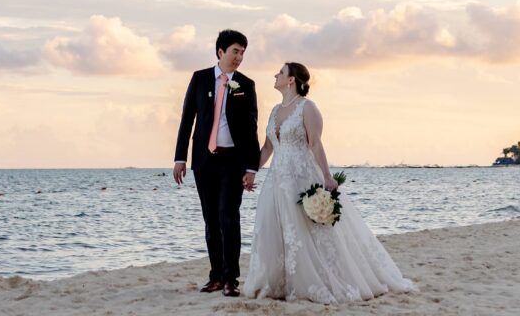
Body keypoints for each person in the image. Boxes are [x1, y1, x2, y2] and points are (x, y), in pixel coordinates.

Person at [243, 62, 415, 304]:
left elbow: (315, 144)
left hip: (301, 178)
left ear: (291, 80)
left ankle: (316, 280)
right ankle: (279, 282)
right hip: (276, 182)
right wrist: (251, 171)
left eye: (280, 72)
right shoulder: (274, 110)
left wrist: (326, 176)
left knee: (309, 232)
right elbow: (268, 148)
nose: (275, 75)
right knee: (276, 229)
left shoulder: (307, 107)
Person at [173, 29, 260, 297]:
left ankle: (231, 279)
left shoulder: (246, 85)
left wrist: (251, 168)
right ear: (221, 52)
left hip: (233, 162)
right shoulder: (199, 79)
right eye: (235, 51)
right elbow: (187, 119)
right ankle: (216, 277)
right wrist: (180, 158)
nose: (239, 57)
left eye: (242, 52)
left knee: (228, 217)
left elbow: (251, 129)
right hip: (204, 162)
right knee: (211, 220)